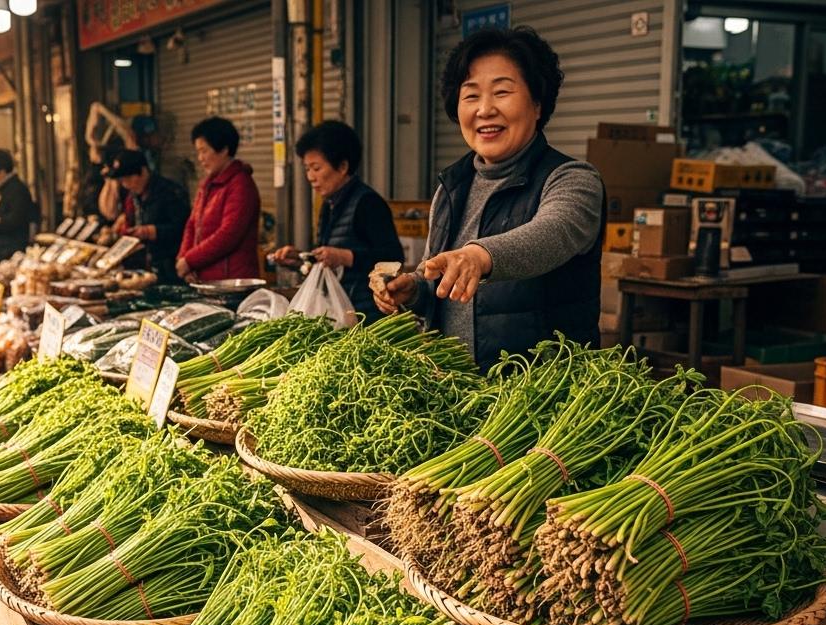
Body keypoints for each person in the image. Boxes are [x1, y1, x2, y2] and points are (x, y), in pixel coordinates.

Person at [374, 26, 605, 368]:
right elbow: (439, 277)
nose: (484, 109)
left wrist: (480, 256)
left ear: (537, 103)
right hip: (457, 396)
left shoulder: (573, 179)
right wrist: (414, 291)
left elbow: (551, 233)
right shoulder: (451, 188)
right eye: (471, 95)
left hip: (543, 400)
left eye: (501, 92)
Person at [270, 121, 402, 319]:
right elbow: (328, 257)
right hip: (342, 311)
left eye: (316, 168)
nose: (310, 177)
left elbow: (394, 257)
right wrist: (299, 259)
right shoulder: (329, 205)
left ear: (342, 166)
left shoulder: (368, 203)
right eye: (307, 169)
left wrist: (344, 256)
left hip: (368, 315)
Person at [176, 116, 260, 282]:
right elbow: (192, 225)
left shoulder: (241, 185)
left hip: (232, 281)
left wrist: (190, 260)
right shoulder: (207, 184)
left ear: (224, 150)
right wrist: (184, 259)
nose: (200, 158)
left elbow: (228, 235)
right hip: (207, 281)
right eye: (198, 152)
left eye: (204, 151)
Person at [109, 149, 190, 284]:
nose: (125, 184)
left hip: (170, 269)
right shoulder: (134, 196)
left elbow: (184, 228)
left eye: (128, 179)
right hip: (144, 269)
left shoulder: (169, 192)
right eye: (122, 180)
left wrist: (151, 231)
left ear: (142, 171)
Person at [0, 148, 38, 262]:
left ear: (1, 171)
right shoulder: (5, 189)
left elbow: (15, 220)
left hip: (10, 255)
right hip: (3, 253)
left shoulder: (16, 190)